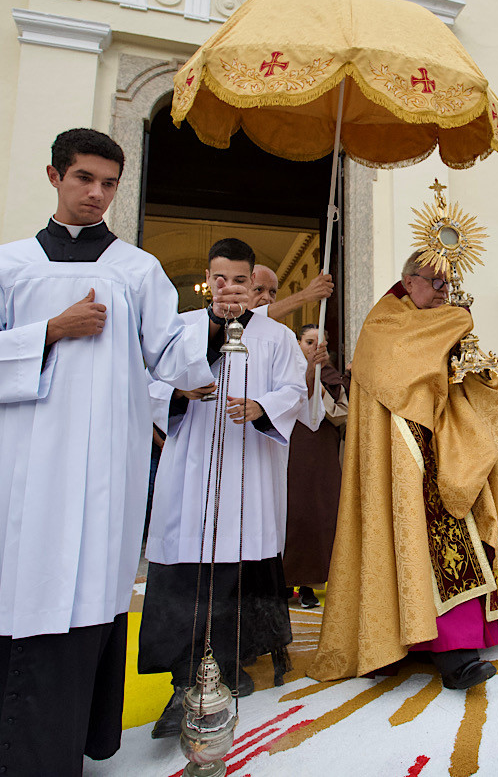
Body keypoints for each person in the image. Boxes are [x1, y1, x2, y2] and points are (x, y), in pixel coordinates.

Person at [0, 128, 215, 776]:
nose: (96, 193)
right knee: (3, 597)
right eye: (84, 178)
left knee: (78, 597)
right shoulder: (7, 265)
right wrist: (51, 330)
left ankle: (54, 755)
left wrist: (208, 347)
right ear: (55, 176)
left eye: (109, 183)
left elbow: (172, 353)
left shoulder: (136, 270)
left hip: (96, 478)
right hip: (12, 466)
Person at [312, 252, 498, 690]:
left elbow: (461, 378)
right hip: (408, 456)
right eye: (436, 284)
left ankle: (480, 632)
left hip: (454, 443)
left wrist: (479, 377)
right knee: (433, 542)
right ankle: (453, 656)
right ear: (408, 280)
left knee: (480, 521)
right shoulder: (384, 323)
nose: (445, 293)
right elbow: (402, 375)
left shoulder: (434, 321)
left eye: (449, 285)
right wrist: (459, 320)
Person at [140, 237, 307, 738]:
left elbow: (294, 390)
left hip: (246, 472)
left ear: (254, 283)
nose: (230, 289)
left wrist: (262, 407)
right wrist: (176, 390)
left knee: (237, 569)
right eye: (220, 279)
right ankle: (181, 683)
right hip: (190, 472)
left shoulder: (276, 337)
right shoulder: (184, 328)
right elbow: (149, 384)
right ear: (207, 281)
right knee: (185, 573)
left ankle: (229, 669)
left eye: (240, 280)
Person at [284, 324, 346, 609]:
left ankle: (310, 584)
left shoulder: (332, 378)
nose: (315, 348)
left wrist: (320, 390)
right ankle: (283, 581)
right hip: (290, 452)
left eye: (320, 344)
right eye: (309, 342)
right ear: (298, 344)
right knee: (290, 514)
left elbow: (344, 414)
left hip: (321, 452)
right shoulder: (283, 371)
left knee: (318, 514)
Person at [251, 263, 336, 324]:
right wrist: (306, 294)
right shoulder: (238, 321)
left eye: (272, 292)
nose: (267, 297)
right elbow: (254, 317)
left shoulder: (284, 334)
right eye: (259, 290)